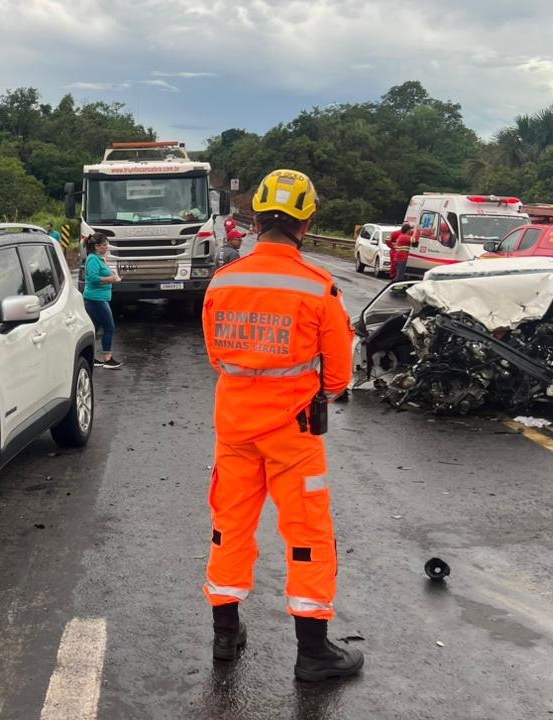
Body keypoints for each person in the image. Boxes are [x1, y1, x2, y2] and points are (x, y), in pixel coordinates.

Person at [201, 169, 362, 682]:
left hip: (234, 428)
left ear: (255, 218)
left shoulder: (223, 281)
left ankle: (226, 636)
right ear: (306, 223)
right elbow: (338, 377)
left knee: (230, 529)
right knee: (308, 535)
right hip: (294, 433)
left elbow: (214, 356)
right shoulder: (318, 287)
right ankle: (313, 652)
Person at [83, 233, 122, 368]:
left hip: (99, 298)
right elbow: (93, 278)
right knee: (109, 327)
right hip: (96, 299)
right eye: (104, 245)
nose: (107, 247)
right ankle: (107, 358)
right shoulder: (93, 259)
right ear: (97, 246)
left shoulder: (99, 259)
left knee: (94, 328)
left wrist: (113, 276)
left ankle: (90, 357)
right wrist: (110, 279)